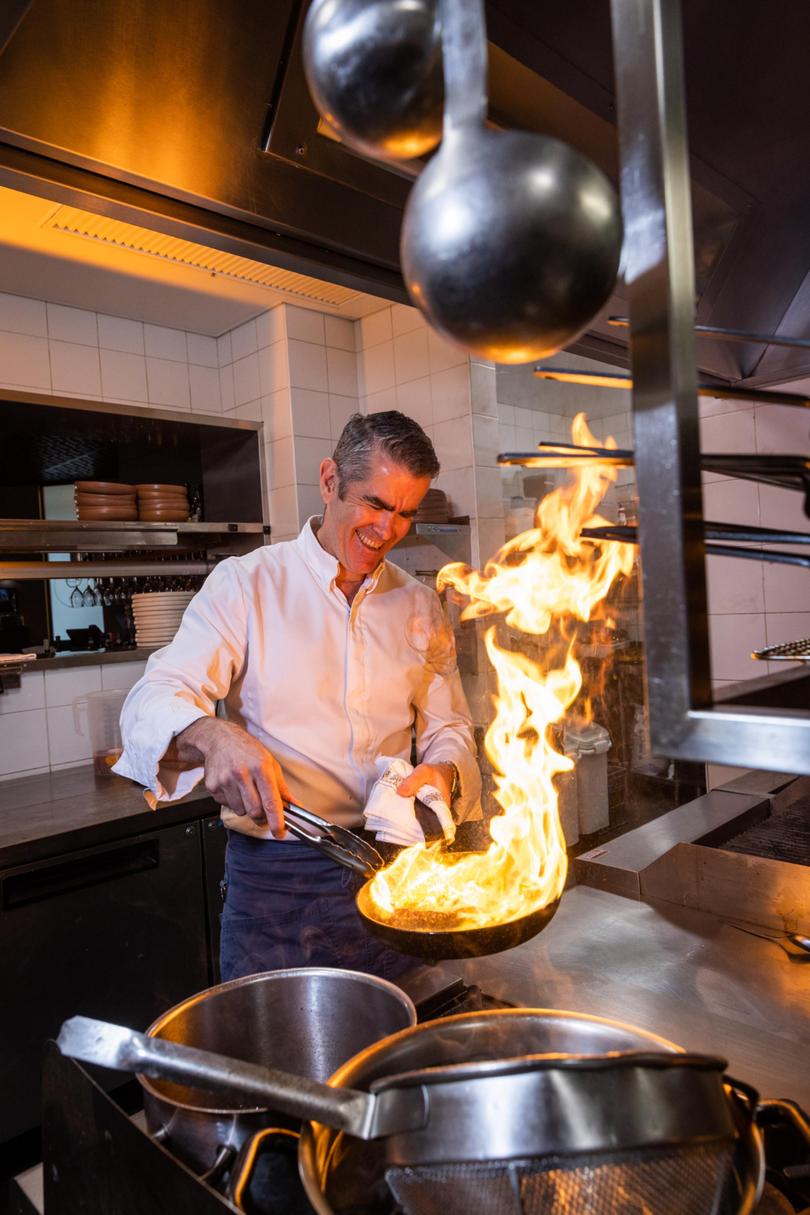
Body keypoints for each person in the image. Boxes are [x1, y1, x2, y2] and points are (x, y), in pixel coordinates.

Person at [113, 411, 481, 982]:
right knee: (276, 1061)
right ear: (330, 480)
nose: (387, 530)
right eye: (375, 504)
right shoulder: (247, 583)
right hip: (280, 882)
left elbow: (450, 728)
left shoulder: (417, 604)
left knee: (399, 1049)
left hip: (400, 870)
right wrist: (212, 734)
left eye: (405, 513)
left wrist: (443, 771)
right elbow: (154, 695)